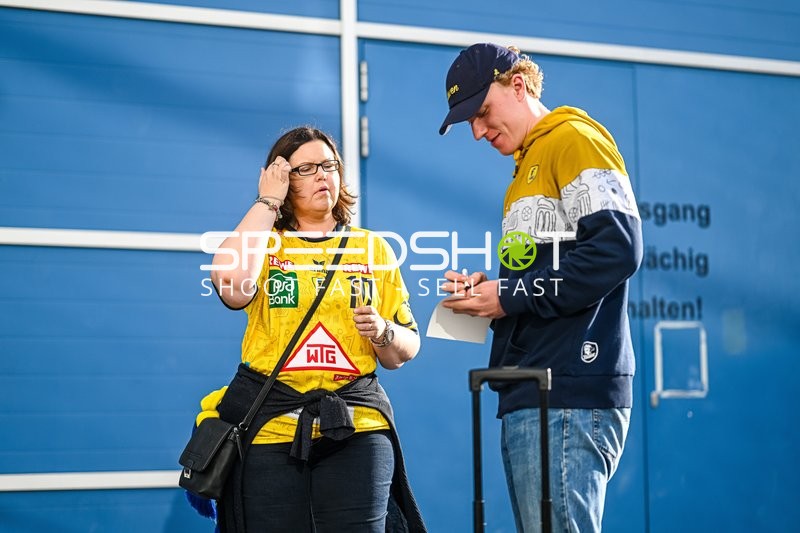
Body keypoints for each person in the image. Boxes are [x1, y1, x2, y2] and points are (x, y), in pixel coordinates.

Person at [438, 43, 643, 532]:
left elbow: (619, 249)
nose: (478, 131)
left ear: (518, 84)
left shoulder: (573, 139)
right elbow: (557, 269)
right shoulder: (528, 163)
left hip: (567, 389)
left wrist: (509, 297)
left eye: (482, 113)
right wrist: (494, 290)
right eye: (468, 121)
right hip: (534, 388)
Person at [193, 126, 426, 533]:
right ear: (284, 179)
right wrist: (267, 201)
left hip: (357, 428)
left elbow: (405, 348)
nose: (323, 175)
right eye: (307, 168)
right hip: (271, 429)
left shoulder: (373, 248)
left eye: (329, 165)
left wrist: (383, 332)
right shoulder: (268, 243)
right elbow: (229, 283)